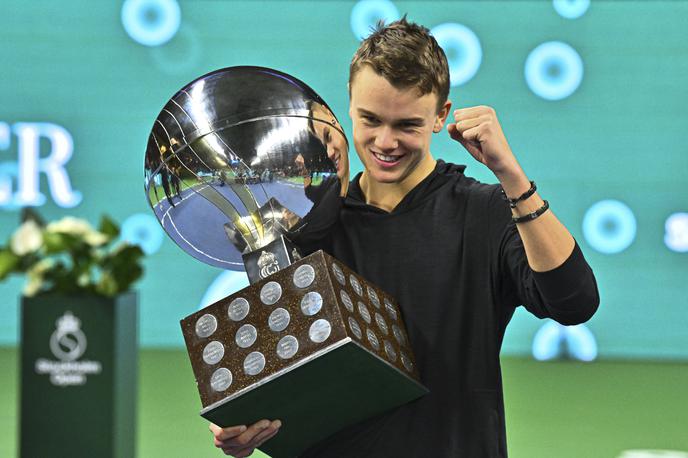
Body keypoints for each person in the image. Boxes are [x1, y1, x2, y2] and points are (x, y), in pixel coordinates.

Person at [210, 17, 599, 457]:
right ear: (349, 107)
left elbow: (575, 302)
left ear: (441, 117)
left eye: (407, 125)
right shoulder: (303, 226)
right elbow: (279, 371)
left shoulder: (486, 211)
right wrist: (246, 427)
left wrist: (511, 175)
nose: (385, 141)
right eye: (370, 120)